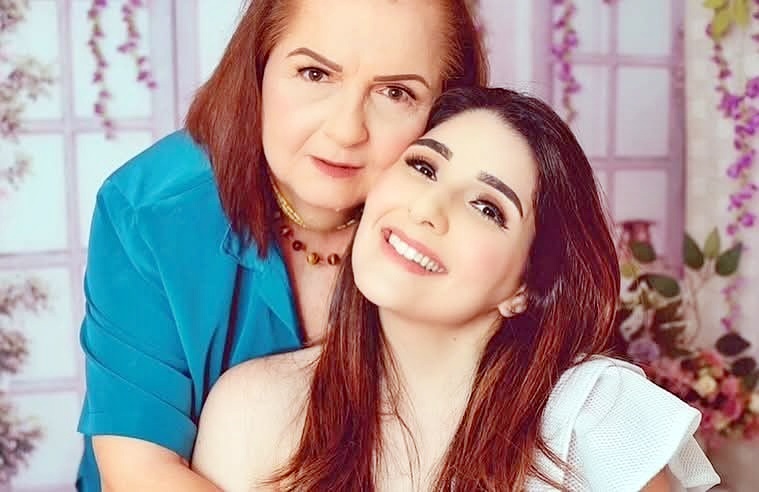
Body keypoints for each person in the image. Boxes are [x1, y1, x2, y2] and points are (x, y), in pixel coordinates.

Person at [191, 87, 721, 491]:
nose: (427, 208)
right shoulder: (253, 411)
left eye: (487, 207)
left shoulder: (593, 422)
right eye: (423, 167)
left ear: (526, 286)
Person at [76, 0, 488, 490]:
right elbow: (139, 472)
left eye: (395, 93)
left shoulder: (459, 236)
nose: (346, 130)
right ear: (259, 67)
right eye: (315, 74)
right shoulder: (149, 212)